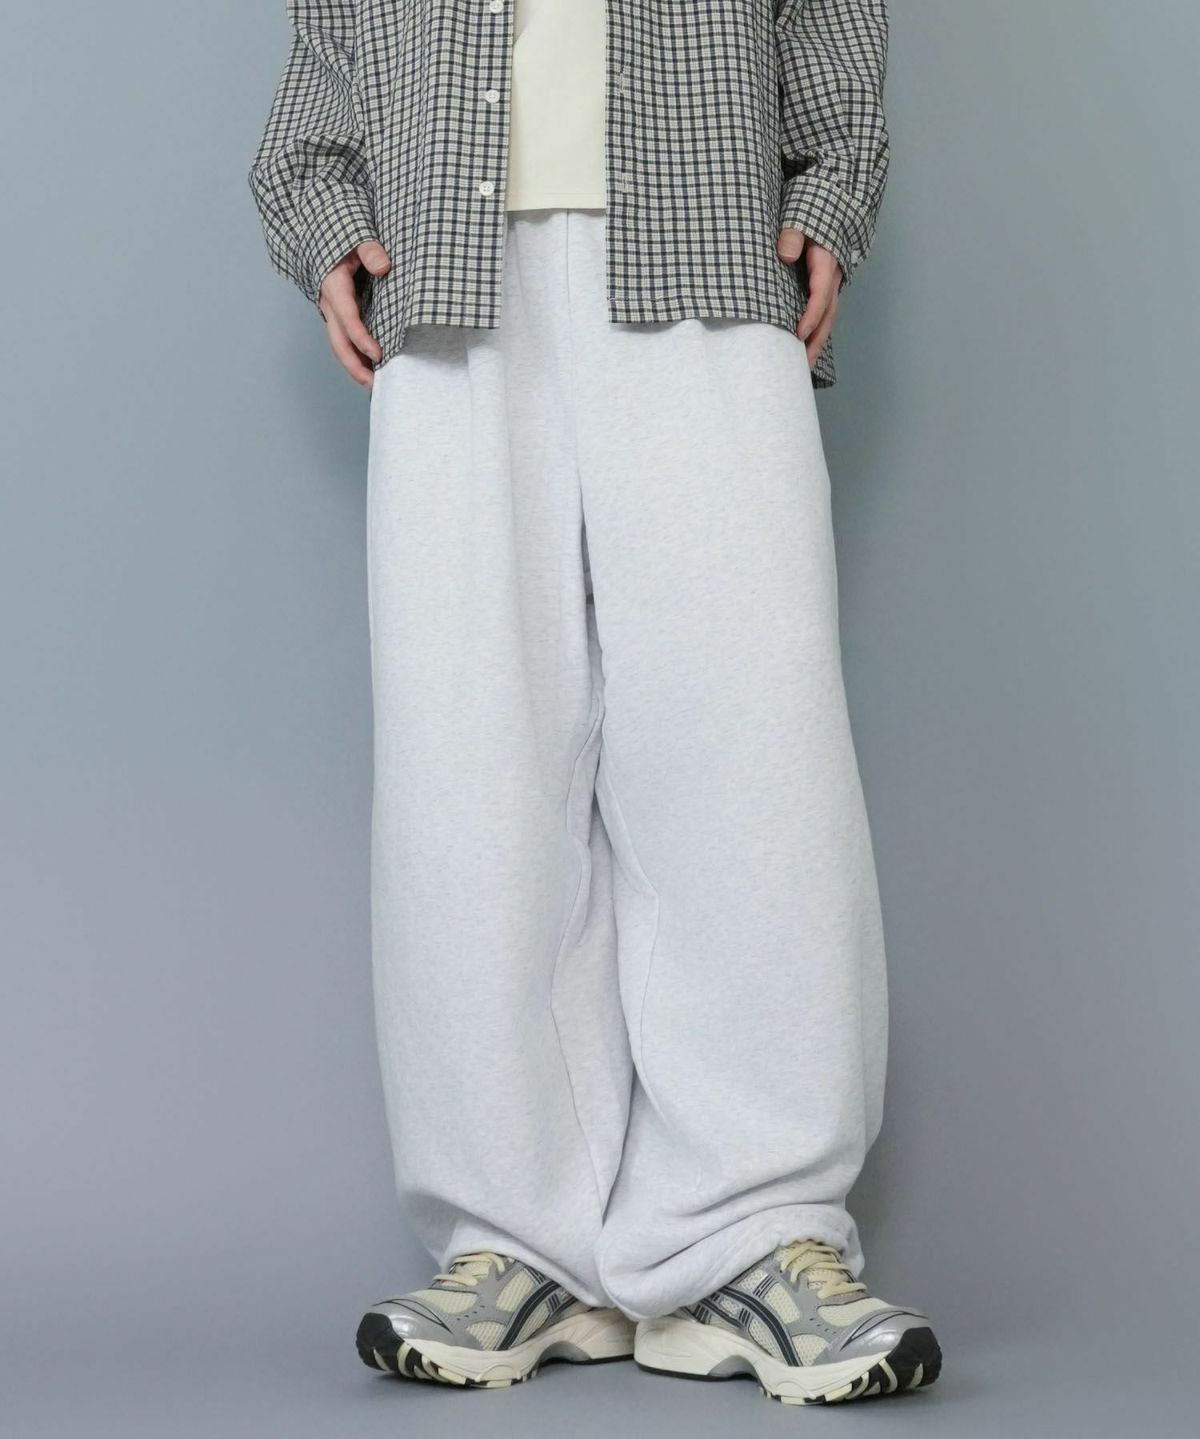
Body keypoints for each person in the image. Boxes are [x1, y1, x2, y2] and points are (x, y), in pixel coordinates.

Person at [250, 0, 941, 1407]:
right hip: (445, 262)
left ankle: (757, 1234)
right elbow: (329, 37)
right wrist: (320, 211)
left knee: (750, 752)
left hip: (709, 237)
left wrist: (831, 187)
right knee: (470, 765)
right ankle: (518, 1243)